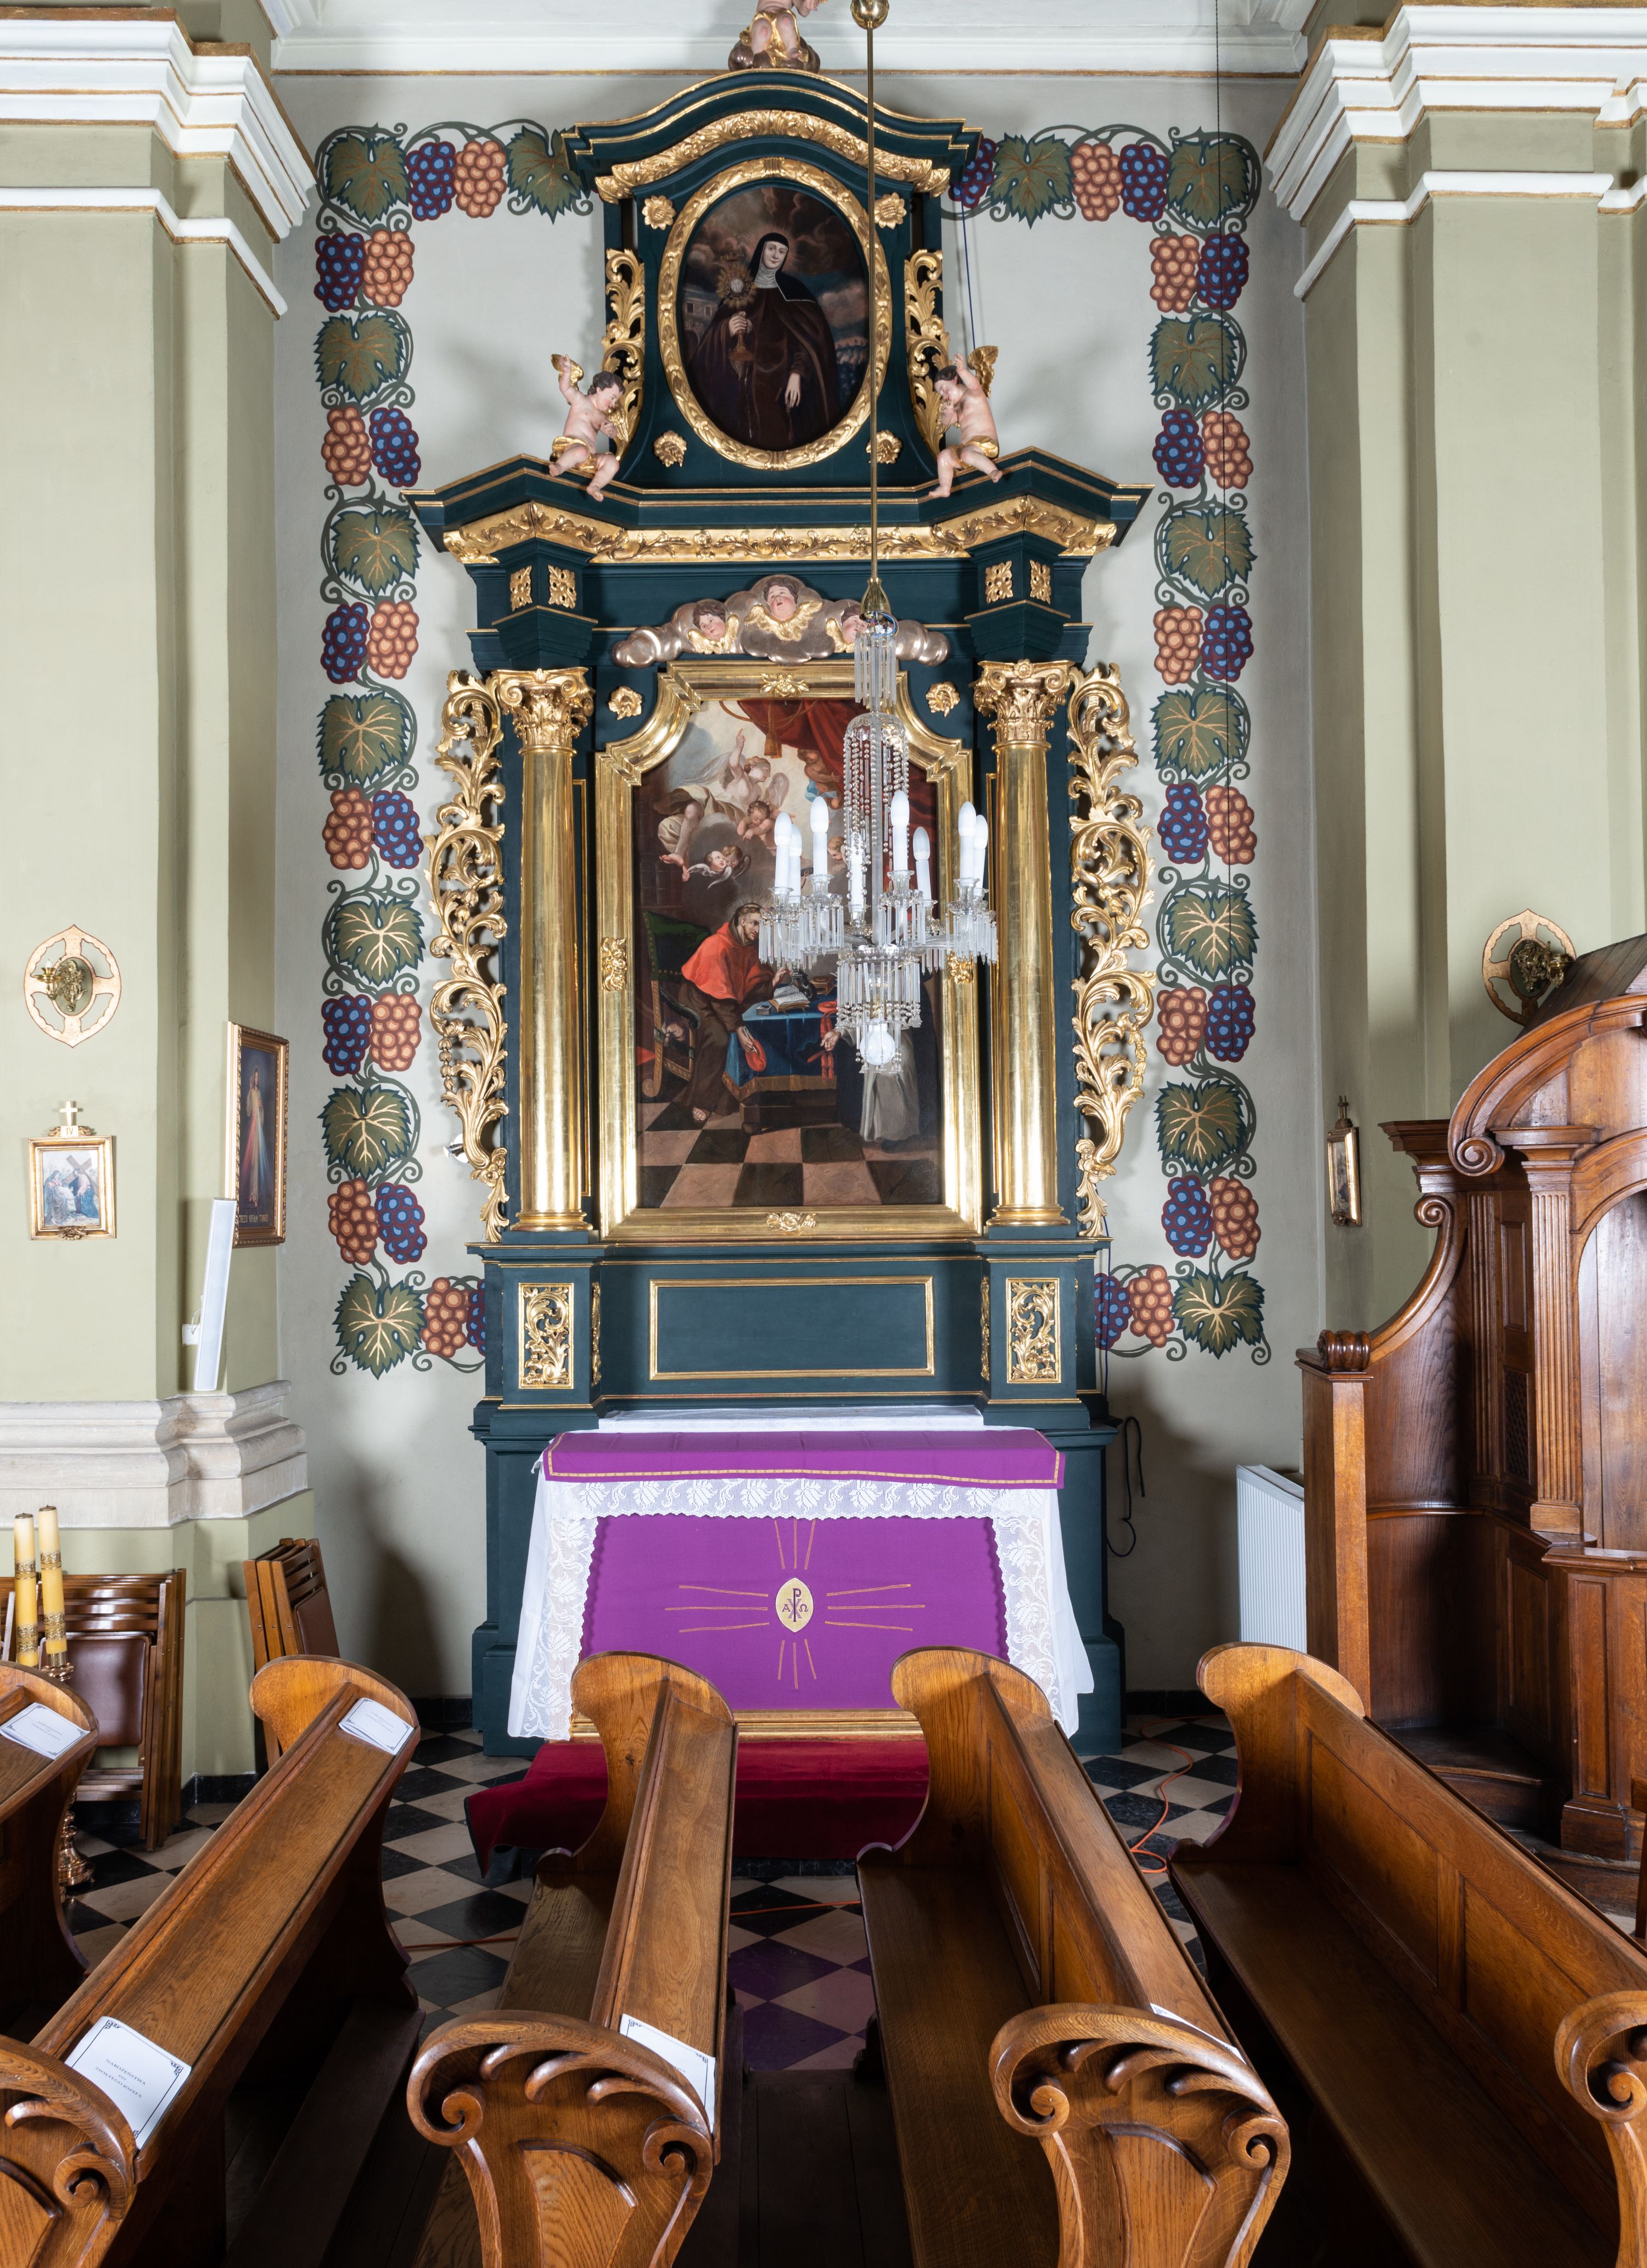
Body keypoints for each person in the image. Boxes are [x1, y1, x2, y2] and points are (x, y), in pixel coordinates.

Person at [686, 233, 841, 452]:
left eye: (782, 252)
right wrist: (727, 329)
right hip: (742, 383)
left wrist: (797, 374)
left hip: (780, 383)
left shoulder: (795, 293)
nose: (776, 255)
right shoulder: (739, 291)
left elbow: (807, 344)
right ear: (761, 250)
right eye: (772, 249)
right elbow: (708, 346)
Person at [670, 903, 785, 1123]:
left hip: (723, 1002)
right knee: (719, 1036)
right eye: (755, 923)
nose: (758, 930)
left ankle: (729, 1095)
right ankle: (702, 1101)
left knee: (749, 1023)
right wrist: (738, 1029)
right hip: (698, 999)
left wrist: (773, 982)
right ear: (743, 921)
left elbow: (749, 990)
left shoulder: (749, 949)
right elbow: (719, 997)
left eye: (762, 926)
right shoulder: (717, 944)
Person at [927, 359, 1004, 499]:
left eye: (944, 388)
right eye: (941, 393)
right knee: (944, 456)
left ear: (955, 380)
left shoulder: (973, 394)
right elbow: (946, 422)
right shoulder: (956, 407)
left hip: (985, 444)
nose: (944, 395)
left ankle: (993, 471)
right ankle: (945, 488)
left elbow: (974, 384)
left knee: (967, 455)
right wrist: (948, 413)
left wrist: (962, 370)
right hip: (968, 448)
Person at [549, 361, 624, 496]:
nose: (613, 405)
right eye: (612, 398)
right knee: (581, 451)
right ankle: (560, 466)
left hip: (589, 459)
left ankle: (595, 486)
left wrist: (611, 431)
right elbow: (565, 389)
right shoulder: (580, 400)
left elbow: (613, 432)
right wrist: (567, 372)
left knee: (613, 463)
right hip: (572, 448)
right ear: (599, 390)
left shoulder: (602, 417)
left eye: (616, 401)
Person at [240, 1065, 270, 1211]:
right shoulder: (252, 1091)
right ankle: (251, 1194)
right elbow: (248, 1111)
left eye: (258, 1077)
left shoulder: (260, 1092)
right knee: (251, 1162)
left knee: (257, 1162)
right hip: (253, 1127)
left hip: (258, 1129)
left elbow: (261, 1115)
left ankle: (256, 1196)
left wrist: (261, 1107)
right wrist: (249, 1096)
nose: (257, 1080)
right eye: (255, 1077)